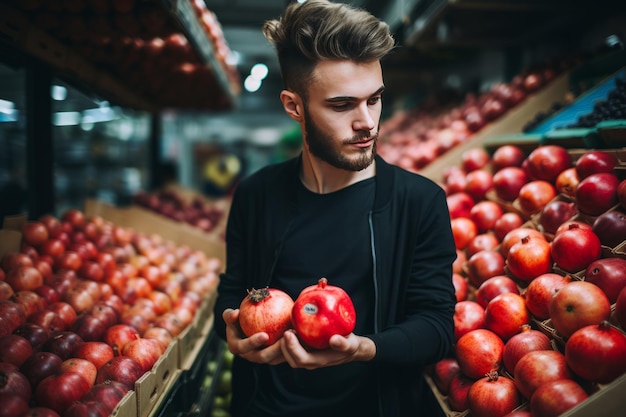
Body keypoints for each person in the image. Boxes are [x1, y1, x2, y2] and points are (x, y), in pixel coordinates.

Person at [213, 1, 457, 416]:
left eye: (375, 100)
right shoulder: (256, 195)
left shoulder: (420, 202)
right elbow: (232, 294)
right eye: (342, 106)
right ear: (294, 106)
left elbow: (437, 327)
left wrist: (364, 348)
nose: (367, 123)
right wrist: (234, 335)